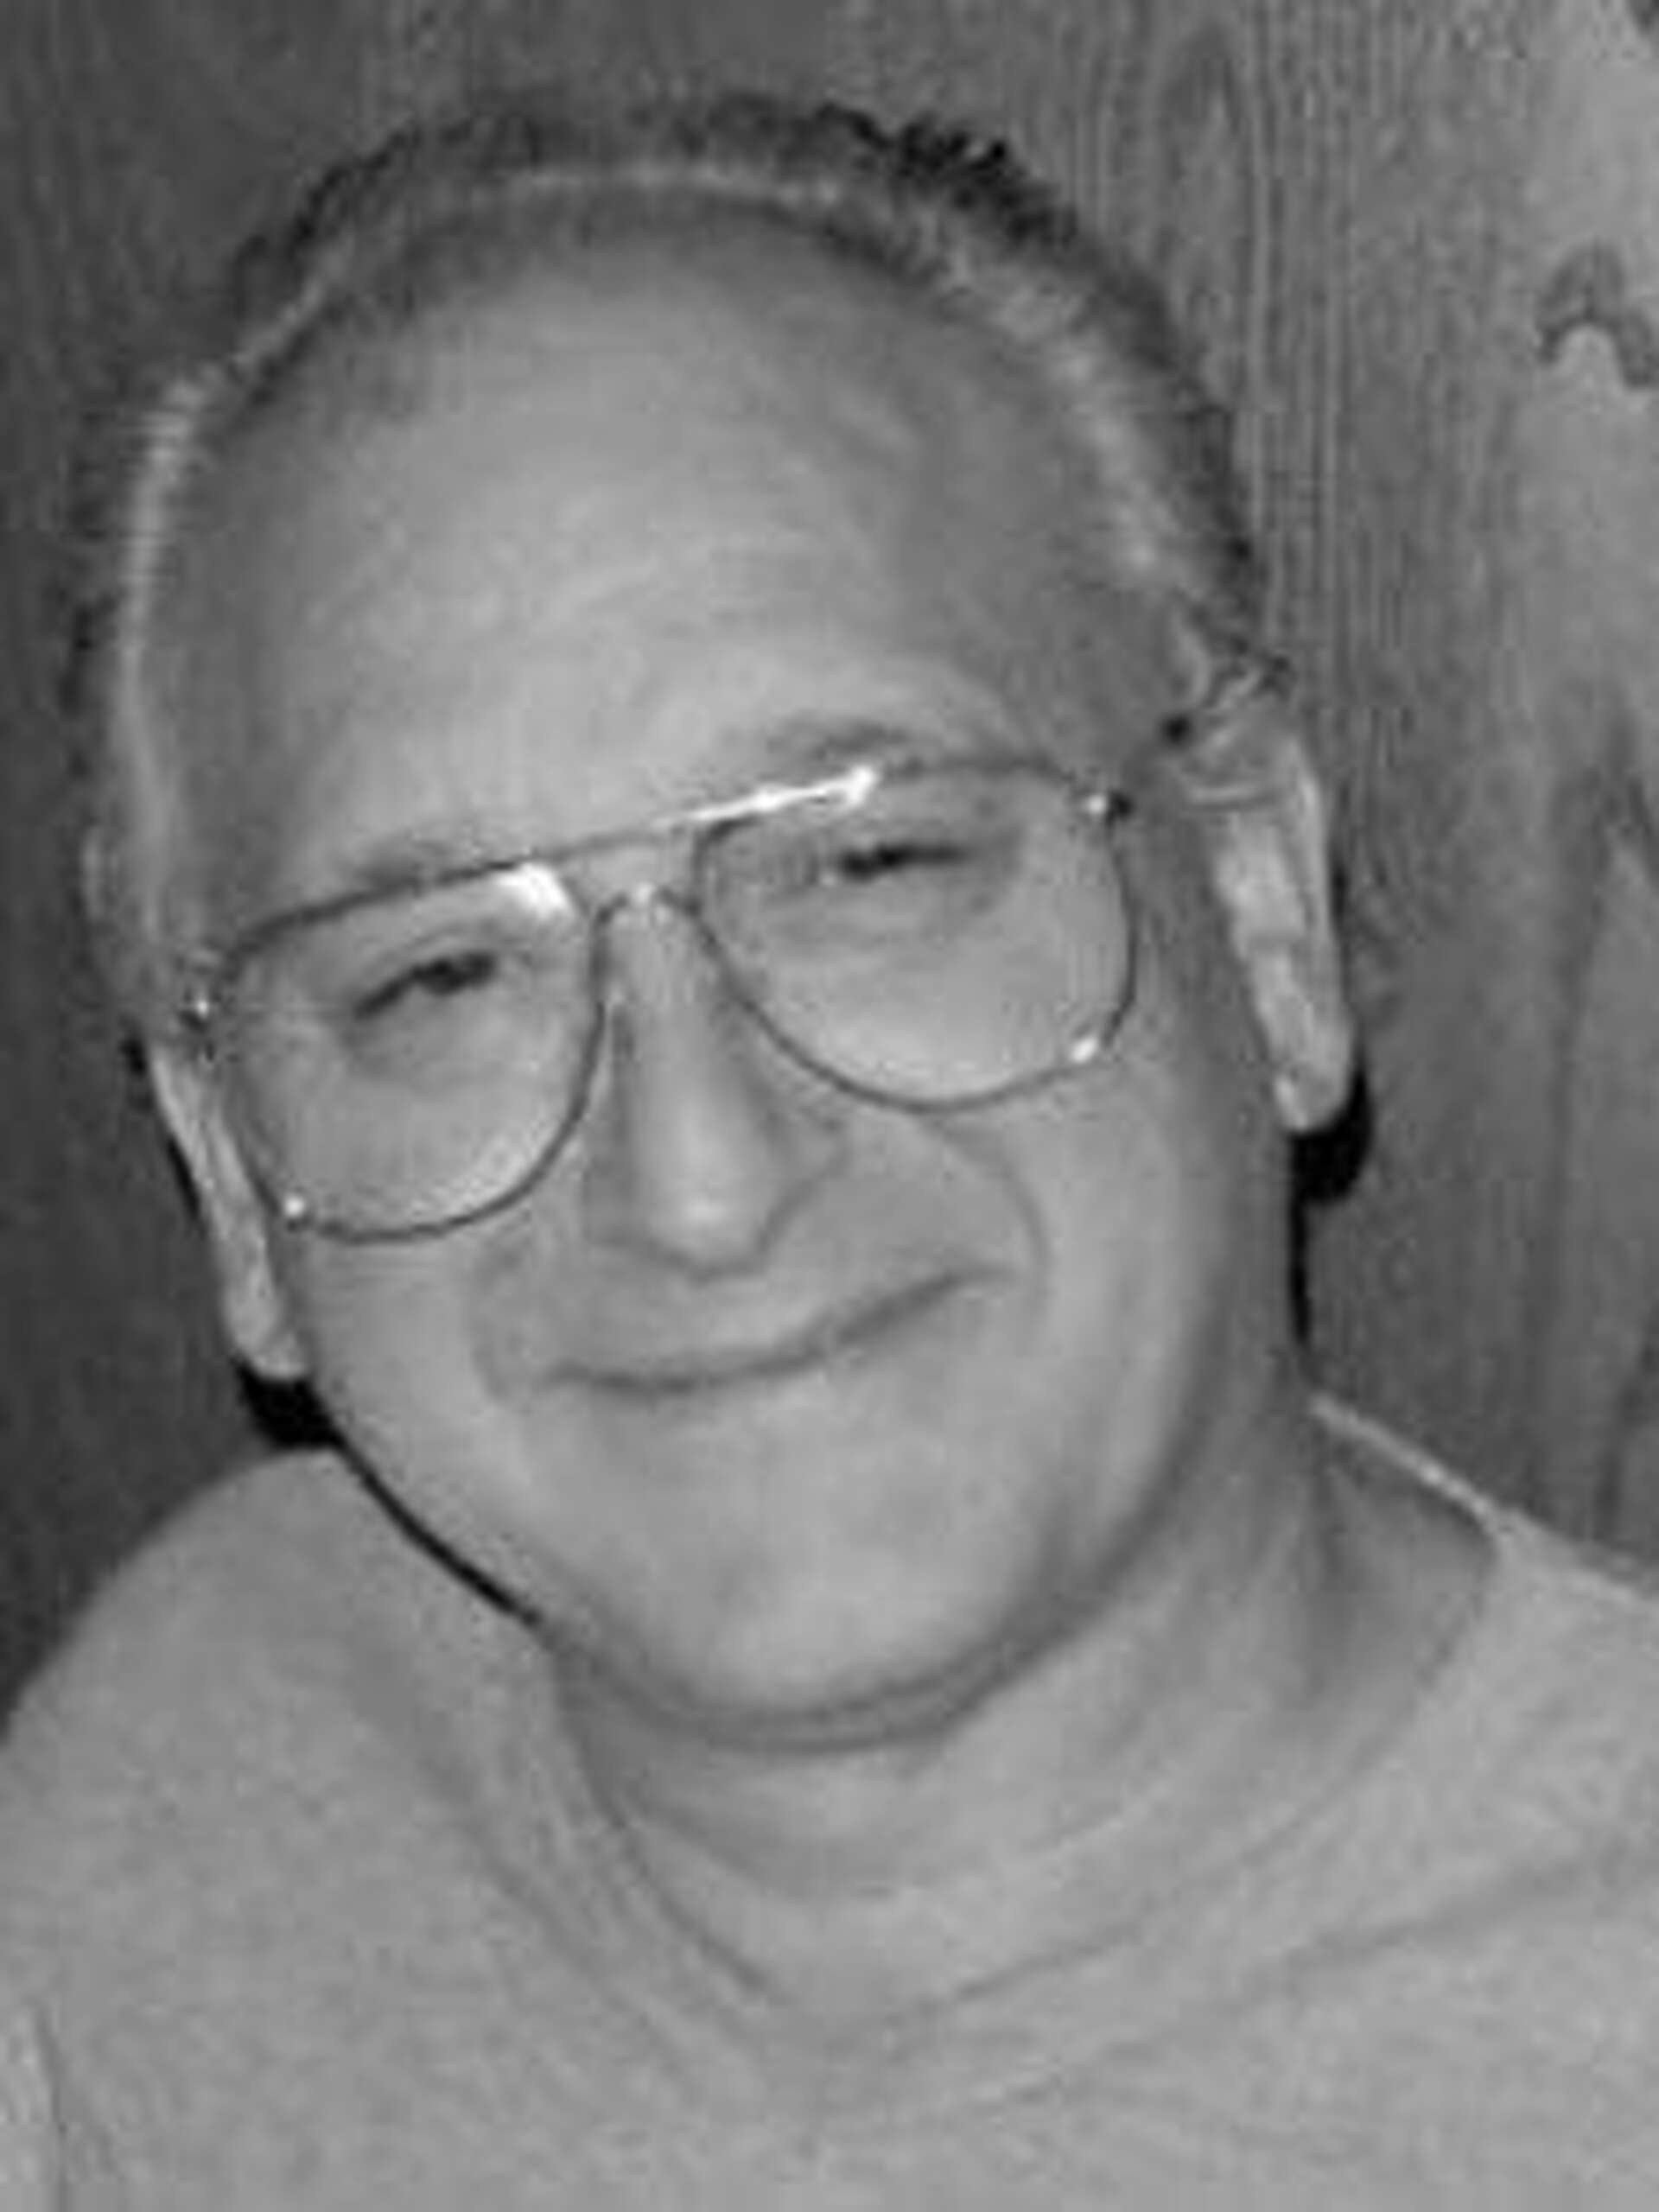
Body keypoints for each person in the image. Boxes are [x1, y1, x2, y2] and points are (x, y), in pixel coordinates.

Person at [3, 85, 1659, 2209]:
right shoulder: (195, 1763)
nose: (698, 1179)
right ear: (237, 1179)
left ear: (1262, 919)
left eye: (870, 861)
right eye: (441, 974)